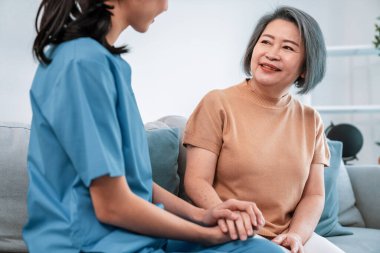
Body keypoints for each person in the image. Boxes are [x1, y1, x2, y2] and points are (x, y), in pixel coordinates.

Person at [22, 0, 284, 253]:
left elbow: (135, 182)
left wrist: (203, 215)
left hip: (131, 237)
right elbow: (111, 205)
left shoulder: (105, 64)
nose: (165, 6)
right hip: (93, 244)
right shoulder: (82, 65)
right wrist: (206, 234)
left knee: (259, 247)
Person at [183, 6, 345, 253]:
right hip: (229, 232)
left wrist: (296, 236)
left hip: (287, 235)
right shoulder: (217, 103)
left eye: (288, 47)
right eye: (266, 42)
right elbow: (196, 181)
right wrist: (232, 221)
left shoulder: (311, 119)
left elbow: (314, 196)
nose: (272, 53)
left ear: (305, 67)